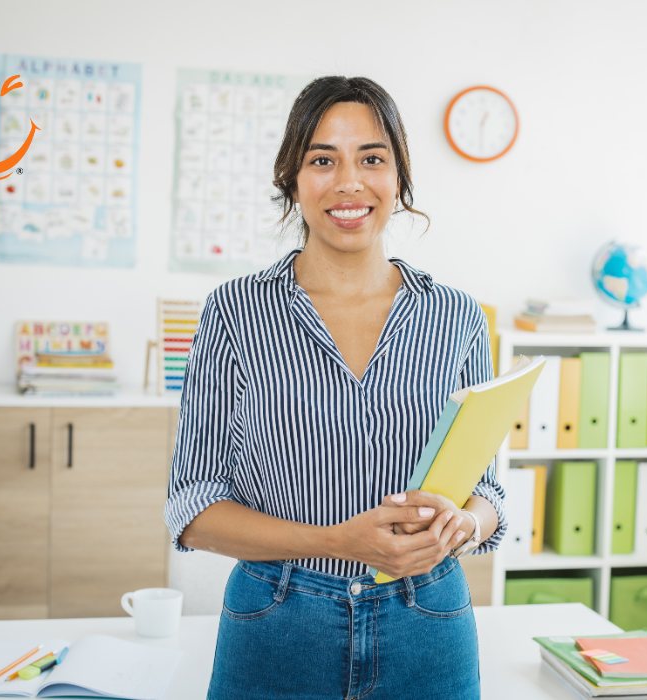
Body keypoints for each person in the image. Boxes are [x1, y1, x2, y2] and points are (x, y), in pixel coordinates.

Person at [165, 75, 507, 700]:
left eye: (371, 158)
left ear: (398, 177)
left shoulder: (456, 316)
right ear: (291, 181)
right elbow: (192, 507)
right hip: (277, 621)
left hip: (428, 621)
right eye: (323, 160)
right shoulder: (235, 312)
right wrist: (335, 541)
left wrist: (464, 526)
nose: (349, 182)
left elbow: (487, 490)